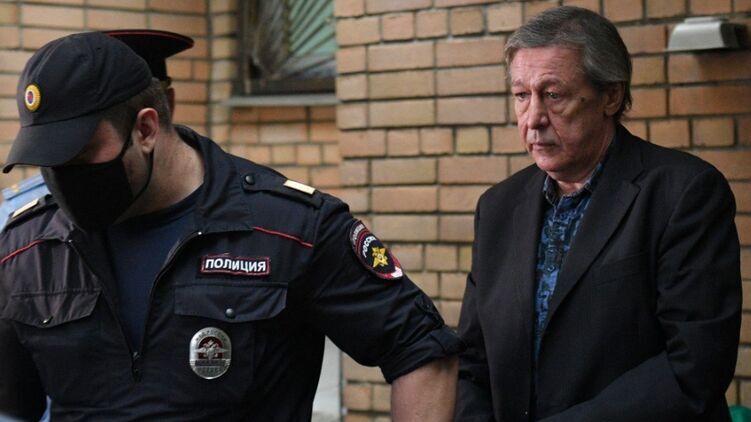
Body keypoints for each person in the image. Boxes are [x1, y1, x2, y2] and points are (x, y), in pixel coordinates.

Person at [0, 32, 462, 420]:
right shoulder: (25, 248)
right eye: (47, 160)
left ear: (145, 129)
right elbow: (10, 406)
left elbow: (421, 349)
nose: (63, 176)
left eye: (81, 154)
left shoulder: (287, 228)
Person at [456, 6, 741, 421]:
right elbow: (471, 360)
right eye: (521, 96)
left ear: (611, 96)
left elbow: (694, 365)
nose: (533, 119)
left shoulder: (684, 193)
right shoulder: (498, 207)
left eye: (554, 95)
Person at [0, 29, 193, 229]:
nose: (64, 169)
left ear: (147, 125)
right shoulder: (26, 224)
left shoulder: (212, 205)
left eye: (82, 150)